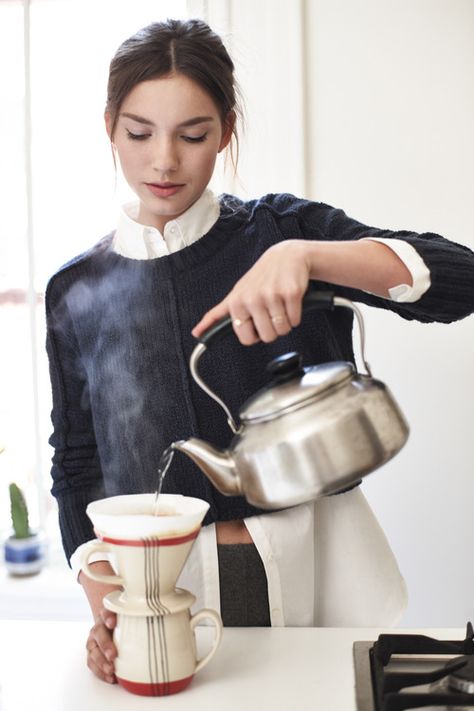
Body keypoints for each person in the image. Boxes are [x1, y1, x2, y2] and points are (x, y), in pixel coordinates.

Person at [45, 18, 474, 684]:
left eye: (193, 135)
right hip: (170, 596)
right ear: (109, 127)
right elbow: (75, 463)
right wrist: (109, 599)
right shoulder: (76, 289)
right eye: (139, 133)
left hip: (317, 576)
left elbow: (460, 278)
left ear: (226, 130)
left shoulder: (280, 232)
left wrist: (309, 256)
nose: (165, 160)